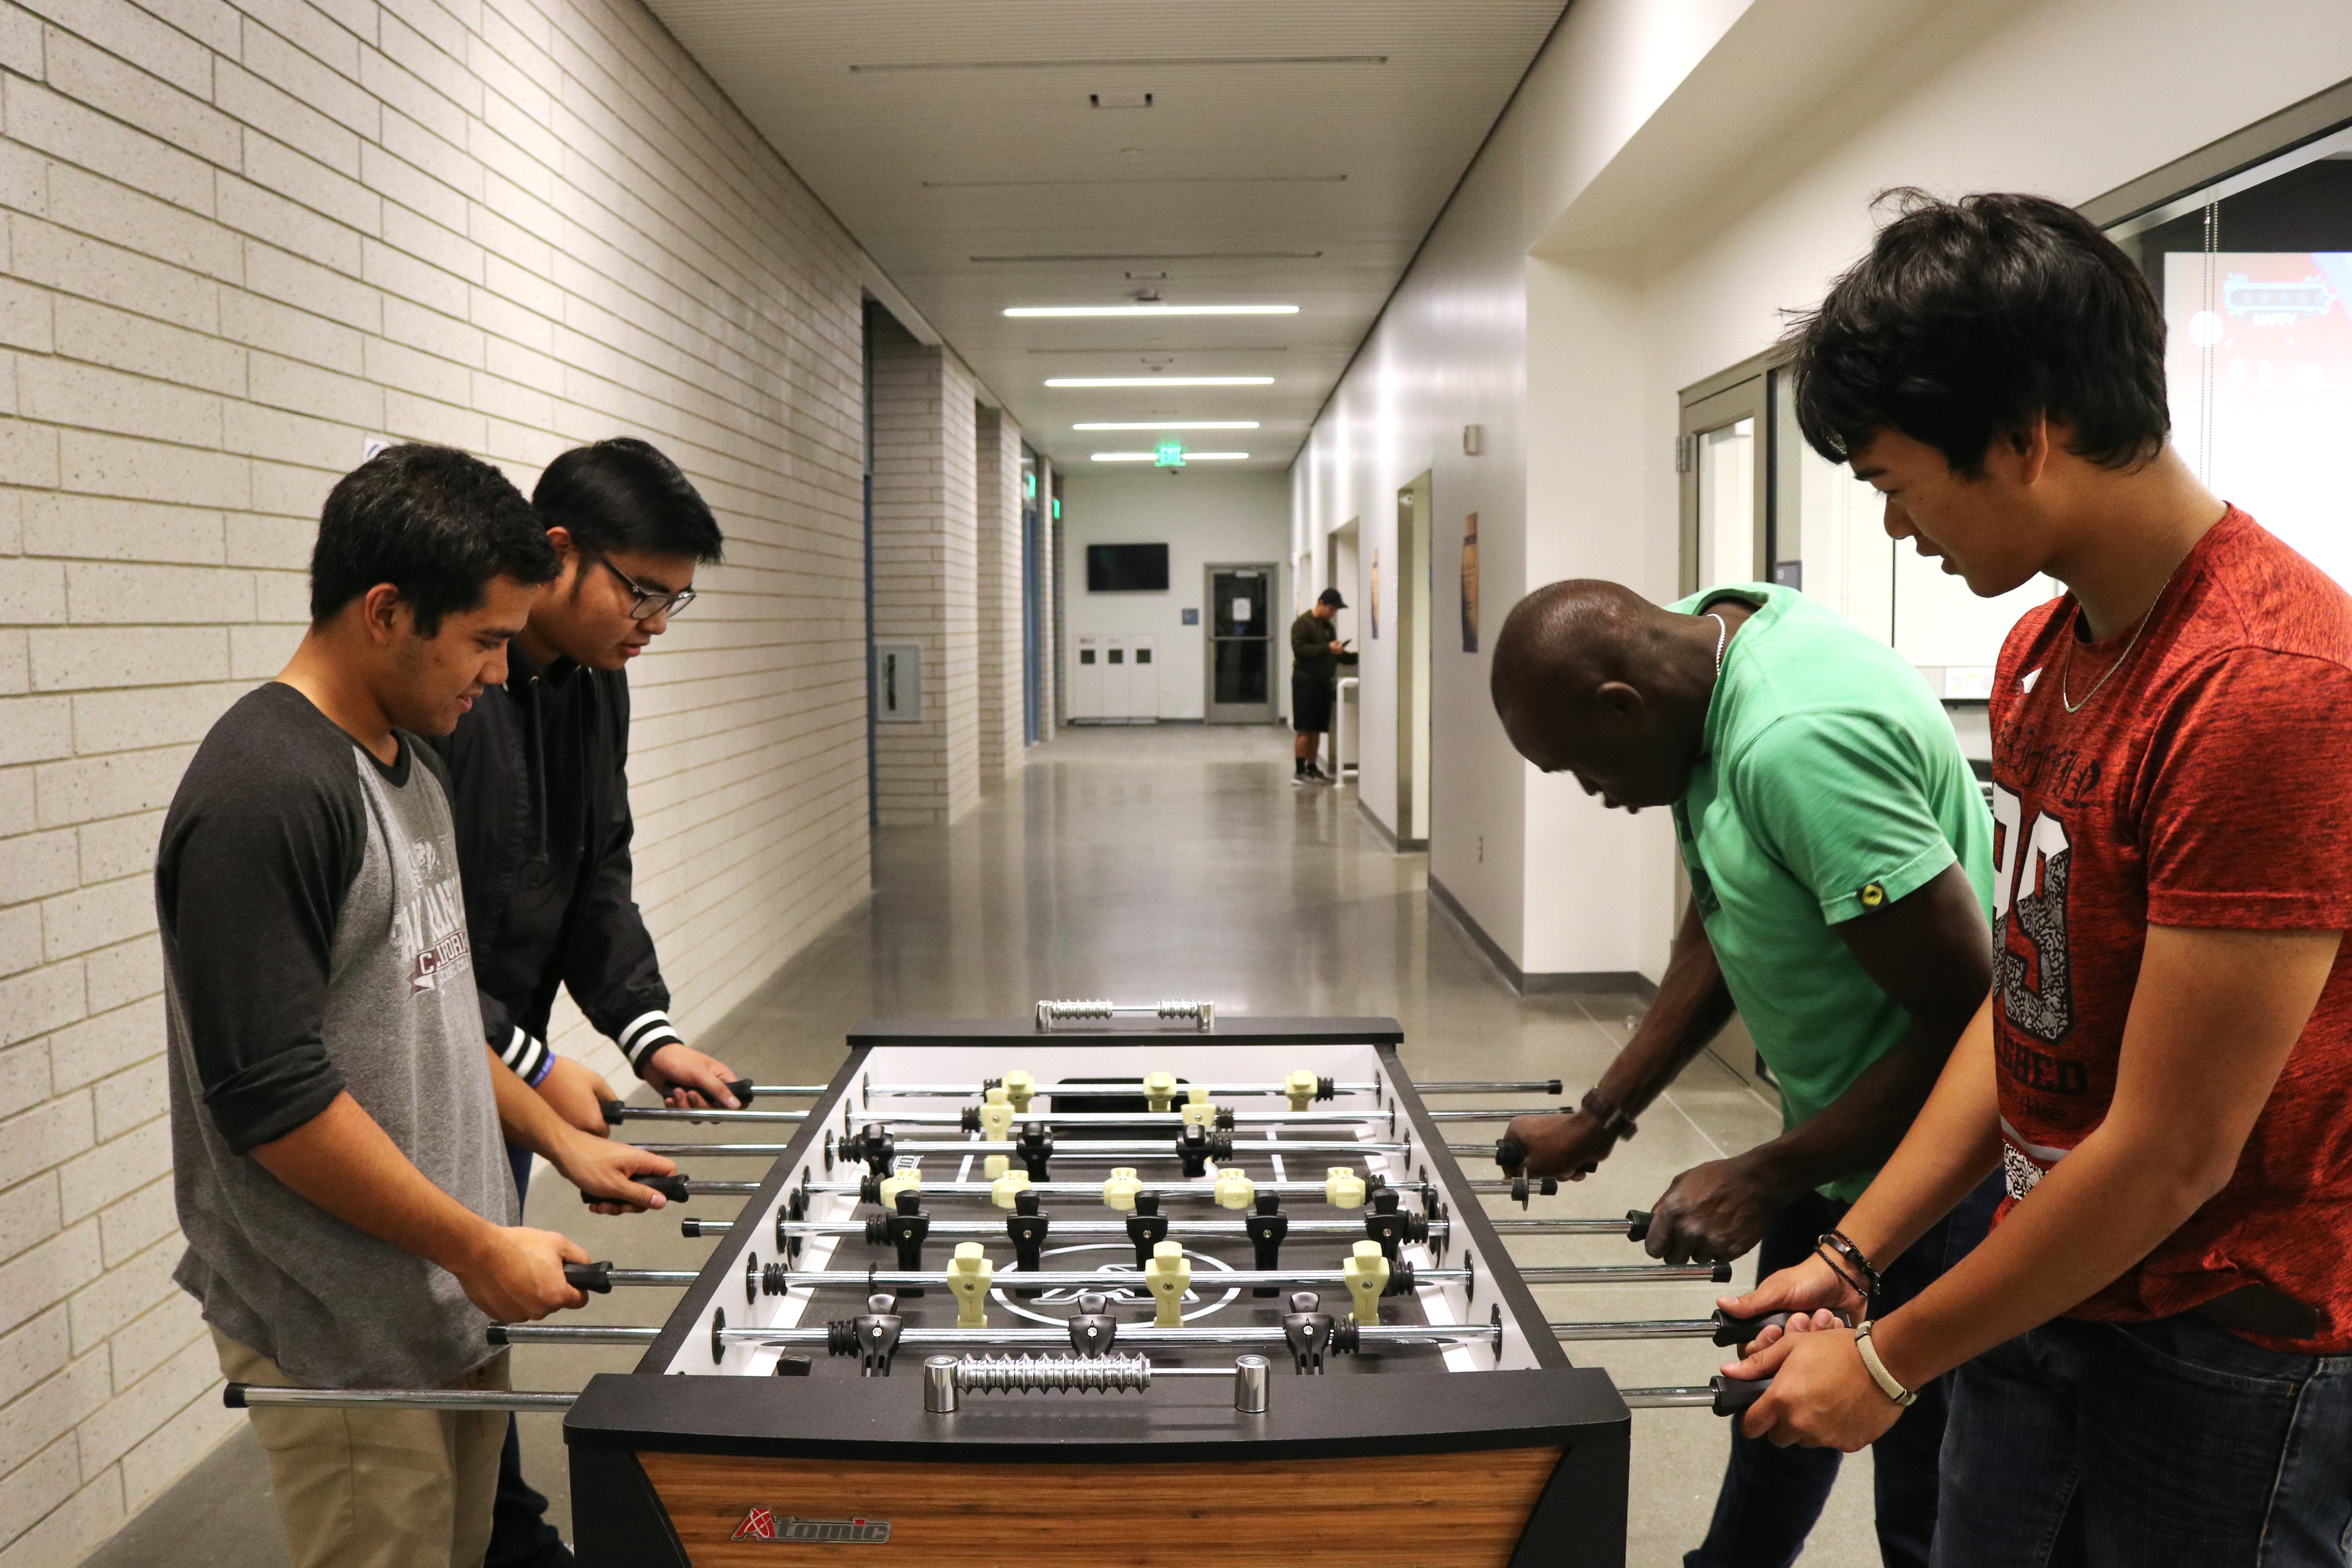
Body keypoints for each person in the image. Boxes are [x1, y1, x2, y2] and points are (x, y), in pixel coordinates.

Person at [1723, 192, 2352, 1566]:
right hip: (2042, 1290)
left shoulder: (2264, 687)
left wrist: (1886, 1366)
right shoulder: (2040, 657)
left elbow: (2176, 1149)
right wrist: (1855, 1254)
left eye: (1893, 481)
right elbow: (2023, 1010)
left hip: (2215, 1349)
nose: (1893, 528)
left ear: (2027, 437)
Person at [159, 444, 680, 1568]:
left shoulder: (410, 762)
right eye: (488, 641)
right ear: (387, 611)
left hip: (442, 1299)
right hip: (348, 1333)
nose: (501, 678)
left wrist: (550, 1137)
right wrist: (475, 1246)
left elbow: (435, 1016)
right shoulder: (267, 794)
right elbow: (275, 1102)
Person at [1490, 578, 2001, 1566]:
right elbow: (1724, 919)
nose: (1589, 792)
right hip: (1837, 1141)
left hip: (1942, 1175)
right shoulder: (1703, 647)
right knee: (1774, 1401)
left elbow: (1971, 1019)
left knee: (1922, 1487)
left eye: (1580, 766)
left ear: (1622, 707)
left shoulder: (1797, 745)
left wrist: (1760, 1174)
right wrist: (1606, 1113)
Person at [430, 438, 734, 1566]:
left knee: (481, 1322)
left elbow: (598, 867)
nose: (653, 622)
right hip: (430, 1062)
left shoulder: (598, 684)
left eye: (674, 602)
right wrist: (535, 1064)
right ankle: (504, 1537)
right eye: (642, 591)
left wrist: (648, 1033)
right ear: (559, 550)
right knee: (441, 1323)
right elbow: (422, 938)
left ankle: (505, 1534)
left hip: (496, 1056)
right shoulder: (463, 691)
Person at [1290, 586, 1356, 782]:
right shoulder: (1302, 624)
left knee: (1318, 727)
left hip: (1323, 681)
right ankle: (1300, 771)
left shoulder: (1328, 626)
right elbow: (1301, 651)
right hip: (1305, 680)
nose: (1334, 613)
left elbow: (1334, 652)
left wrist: (1350, 656)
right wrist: (1327, 648)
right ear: (1321, 604)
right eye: (1332, 609)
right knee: (1305, 727)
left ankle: (1312, 767)